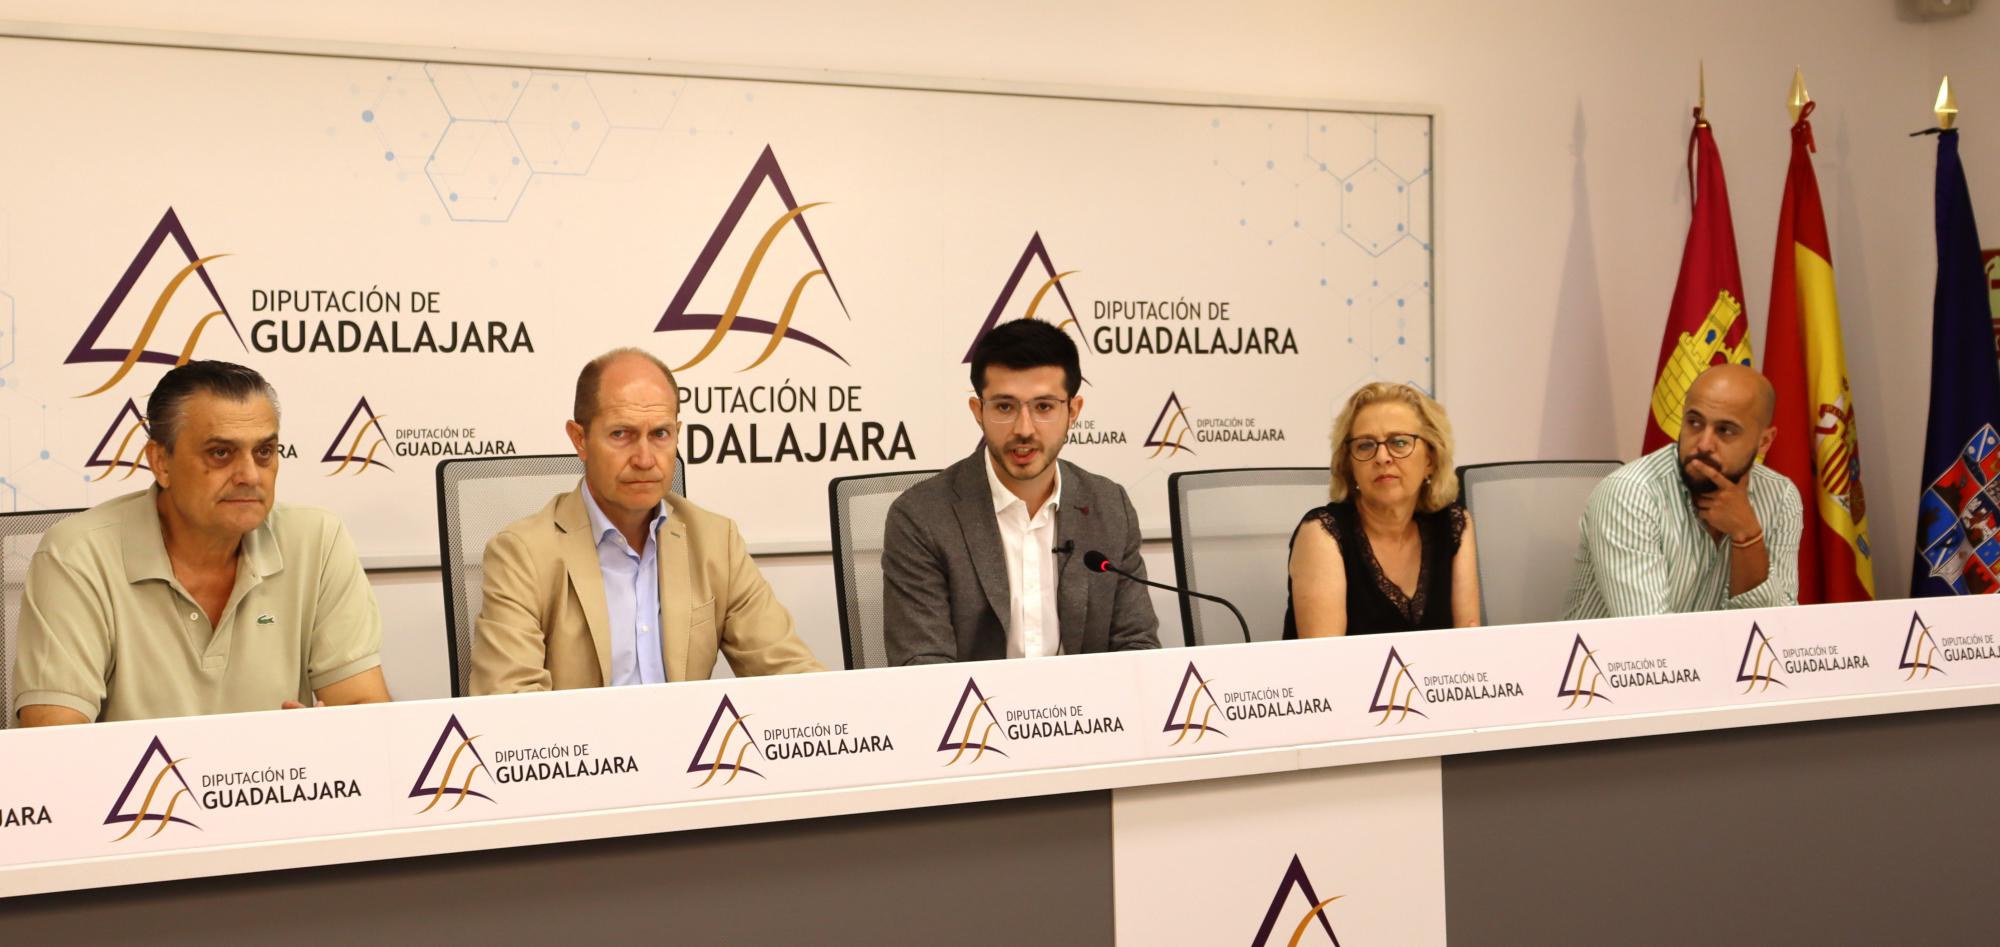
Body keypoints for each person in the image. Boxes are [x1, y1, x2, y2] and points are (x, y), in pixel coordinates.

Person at [13, 361, 389, 725]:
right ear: (161, 462)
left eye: (264, 452)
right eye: (220, 453)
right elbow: (54, 738)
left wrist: (327, 739)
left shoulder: (318, 540)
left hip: (278, 772)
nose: (249, 475)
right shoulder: (77, 554)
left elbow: (363, 710)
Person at [470, 348, 823, 693]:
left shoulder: (717, 542)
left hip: (689, 734)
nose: (644, 459)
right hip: (584, 736)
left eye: (660, 435)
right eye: (621, 434)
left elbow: (795, 677)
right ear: (580, 439)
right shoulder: (522, 554)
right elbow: (508, 704)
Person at [882, 319, 1160, 664]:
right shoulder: (921, 517)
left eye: (1044, 407)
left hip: (1089, 700)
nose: (1024, 429)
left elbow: (1137, 645)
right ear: (978, 411)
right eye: (1004, 407)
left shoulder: (1109, 506)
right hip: (972, 700)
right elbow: (923, 665)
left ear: (1073, 411)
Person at [1563, 363, 1803, 619]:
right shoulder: (1630, 494)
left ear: (1764, 441)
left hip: (1715, 648)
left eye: (1725, 431)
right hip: (1621, 647)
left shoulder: (1780, 497)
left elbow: (1779, 627)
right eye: (1694, 423)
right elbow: (1649, 633)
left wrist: (1747, 535)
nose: (1704, 444)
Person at [1284, 382, 1480, 637]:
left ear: (1430, 459)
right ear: (1349, 465)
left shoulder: (1453, 524)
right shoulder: (1322, 533)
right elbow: (1326, 659)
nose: (1382, 457)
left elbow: (1469, 646)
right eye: (1365, 445)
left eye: (1399, 442)